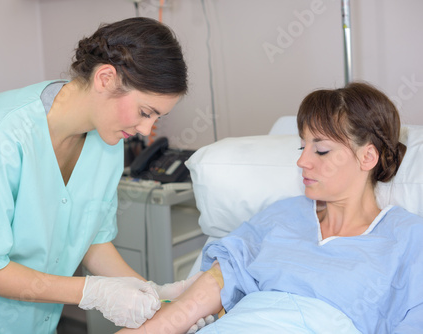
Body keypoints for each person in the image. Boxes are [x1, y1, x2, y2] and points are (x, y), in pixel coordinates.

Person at [0, 17, 197, 333]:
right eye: (145, 112)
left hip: (34, 322)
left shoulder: (105, 142)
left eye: (156, 118)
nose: (146, 130)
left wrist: (152, 294)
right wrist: (91, 292)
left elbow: (91, 240)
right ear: (106, 78)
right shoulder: (1, 134)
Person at [116, 82, 423, 334]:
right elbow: (220, 278)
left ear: (367, 158)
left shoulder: (409, 239)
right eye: (303, 147)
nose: (303, 161)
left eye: (322, 149)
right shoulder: (283, 216)